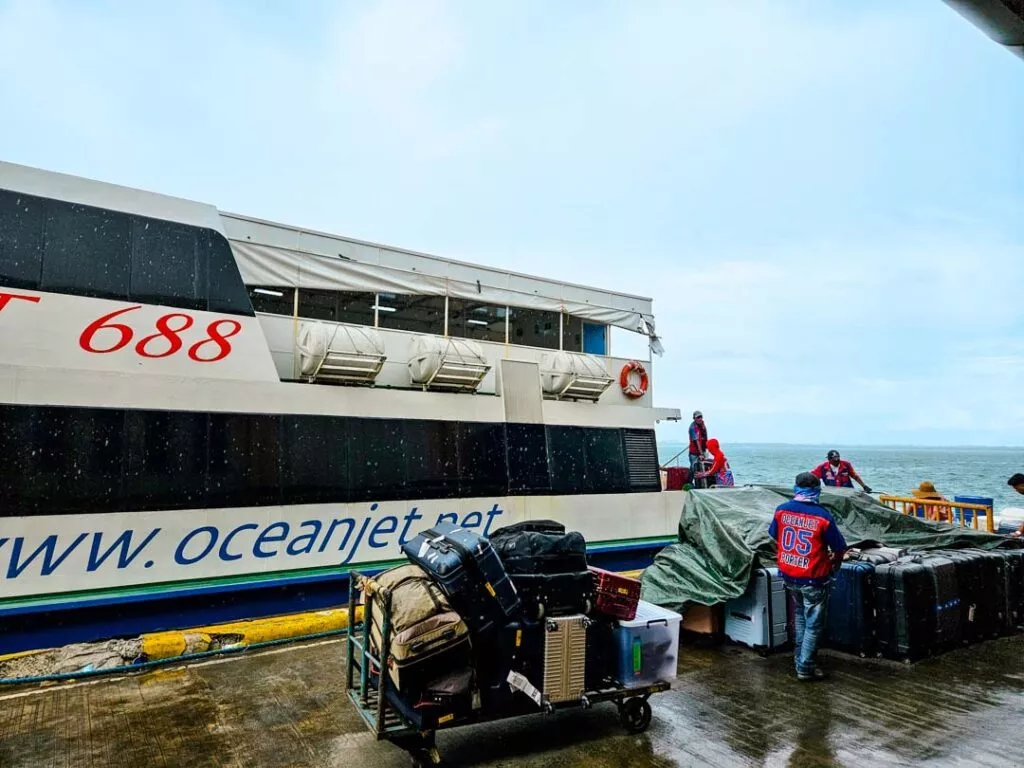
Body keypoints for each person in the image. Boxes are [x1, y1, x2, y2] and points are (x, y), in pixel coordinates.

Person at [768, 472, 848, 682]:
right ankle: (805, 667)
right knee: (813, 624)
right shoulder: (823, 516)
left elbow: (774, 534)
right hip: (813, 577)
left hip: (789, 574)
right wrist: (834, 562)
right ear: (817, 491)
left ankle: (799, 660)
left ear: (796, 489)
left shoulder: (781, 510)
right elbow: (839, 547)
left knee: (801, 616)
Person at [688, 410, 708, 481]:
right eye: (698, 417)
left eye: (701, 417)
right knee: (693, 468)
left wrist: (706, 450)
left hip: (702, 450)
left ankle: (702, 484)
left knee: (704, 467)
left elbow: (705, 438)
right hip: (694, 452)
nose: (700, 419)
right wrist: (701, 453)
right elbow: (696, 442)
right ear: (694, 418)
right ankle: (689, 482)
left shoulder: (703, 425)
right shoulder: (692, 428)